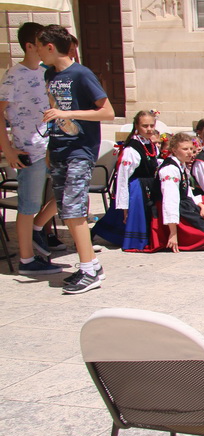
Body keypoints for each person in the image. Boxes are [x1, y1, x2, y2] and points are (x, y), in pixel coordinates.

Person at [36, 25, 115, 294]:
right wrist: (51, 145)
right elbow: (54, 110)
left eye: (39, 46)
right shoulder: (49, 74)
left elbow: (107, 112)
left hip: (80, 151)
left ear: (50, 47)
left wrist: (68, 114)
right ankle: (91, 265)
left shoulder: (81, 74)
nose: (36, 52)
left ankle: (89, 269)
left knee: (74, 210)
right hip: (59, 148)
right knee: (66, 211)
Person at [0, 22, 60, 274]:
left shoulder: (46, 72)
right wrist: (9, 150)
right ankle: (27, 260)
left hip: (49, 147)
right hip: (29, 151)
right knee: (28, 206)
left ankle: (38, 229)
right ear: (30, 46)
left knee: (67, 191)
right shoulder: (14, 75)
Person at [148, 132, 204, 253]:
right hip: (173, 213)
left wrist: (201, 206)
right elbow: (170, 201)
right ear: (174, 150)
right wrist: (173, 233)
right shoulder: (170, 169)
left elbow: (187, 191)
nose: (190, 152)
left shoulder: (181, 165)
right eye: (185, 149)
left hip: (183, 204)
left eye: (191, 149)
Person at [92, 110, 160, 251]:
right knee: (120, 217)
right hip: (135, 189)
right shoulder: (131, 149)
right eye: (145, 126)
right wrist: (124, 206)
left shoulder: (149, 144)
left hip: (146, 186)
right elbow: (122, 177)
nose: (149, 129)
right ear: (137, 126)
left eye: (151, 126)